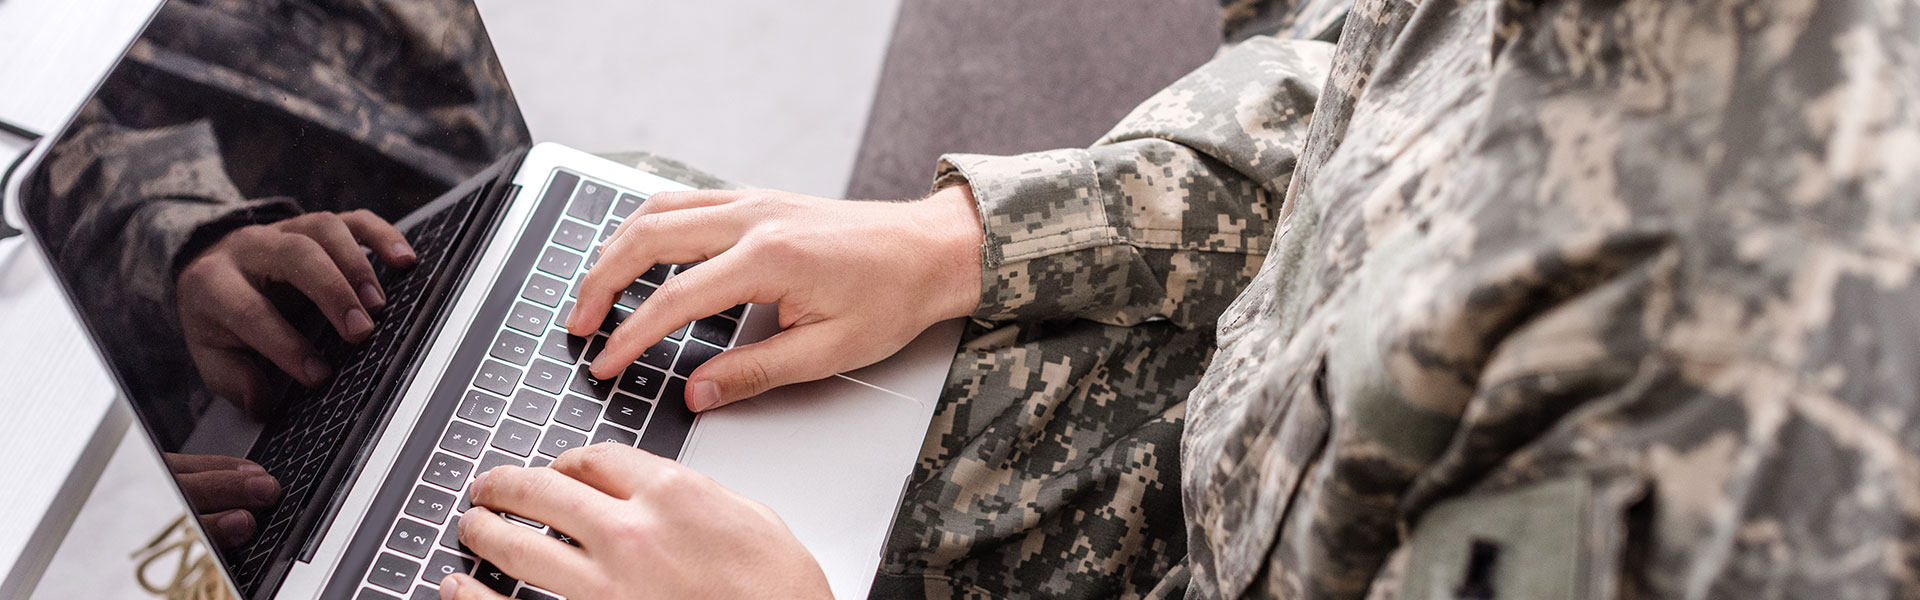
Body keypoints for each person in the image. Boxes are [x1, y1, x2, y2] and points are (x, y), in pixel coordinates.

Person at [436, 0, 1920, 597]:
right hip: (1237, 437)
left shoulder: (1750, 395)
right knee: (559, 273)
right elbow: (1352, 65)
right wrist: (968, 239)